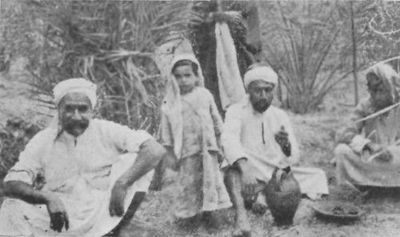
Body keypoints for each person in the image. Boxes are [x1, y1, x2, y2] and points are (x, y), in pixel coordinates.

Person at [0, 78, 166, 237]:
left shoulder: (106, 130)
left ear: (92, 111)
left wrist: (122, 183)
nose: (76, 116)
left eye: (82, 109)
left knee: (134, 158)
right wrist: (48, 198)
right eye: (69, 109)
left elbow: (154, 149)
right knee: (12, 206)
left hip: (102, 211)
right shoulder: (44, 139)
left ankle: (115, 231)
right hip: (61, 213)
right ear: (59, 110)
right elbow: (11, 183)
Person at [222, 65, 329, 237]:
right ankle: (242, 216)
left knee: (317, 175)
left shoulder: (279, 115)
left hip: (275, 173)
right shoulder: (236, 111)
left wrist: (286, 146)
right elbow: (229, 141)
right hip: (248, 169)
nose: (263, 96)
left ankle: (262, 195)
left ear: (273, 91)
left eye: (268, 90)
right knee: (229, 168)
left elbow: (293, 157)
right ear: (248, 90)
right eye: (258, 90)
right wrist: (245, 167)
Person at [159, 54, 231, 229]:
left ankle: (211, 213)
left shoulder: (204, 95)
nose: (183, 80)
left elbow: (216, 121)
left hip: (207, 150)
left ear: (197, 76)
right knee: (189, 186)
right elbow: (166, 132)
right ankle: (189, 217)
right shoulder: (170, 103)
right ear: (172, 78)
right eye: (178, 76)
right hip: (186, 152)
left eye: (187, 75)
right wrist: (169, 153)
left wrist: (221, 141)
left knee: (210, 181)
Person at [190, 0, 262, 114]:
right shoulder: (200, 3)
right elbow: (192, 22)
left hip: (237, 61)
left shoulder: (246, 4)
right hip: (208, 63)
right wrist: (220, 17)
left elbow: (253, 42)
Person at [335, 63, 400, 188]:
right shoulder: (366, 105)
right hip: (374, 158)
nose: (376, 96)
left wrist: (392, 151)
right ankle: (366, 185)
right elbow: (343, 132)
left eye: (381, 90)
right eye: (372, 91)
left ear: (392, 88)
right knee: (341, 151)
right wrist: (370, 146)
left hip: (397, 159)